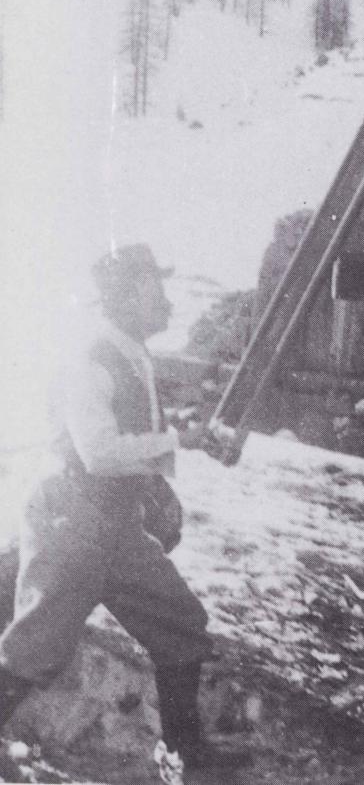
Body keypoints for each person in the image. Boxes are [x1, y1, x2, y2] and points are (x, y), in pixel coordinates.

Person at [0, 244, 242, 783]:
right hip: (71, 520)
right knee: (37, 648)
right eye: (156, 291)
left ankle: (182, 753)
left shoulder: (129, 351)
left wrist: (177, 440)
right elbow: (98, 452)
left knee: (179, 622)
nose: (166, 304)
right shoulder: (90, 358)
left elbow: (128, 429)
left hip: (113, 524)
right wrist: (175, 440)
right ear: (129, 295)